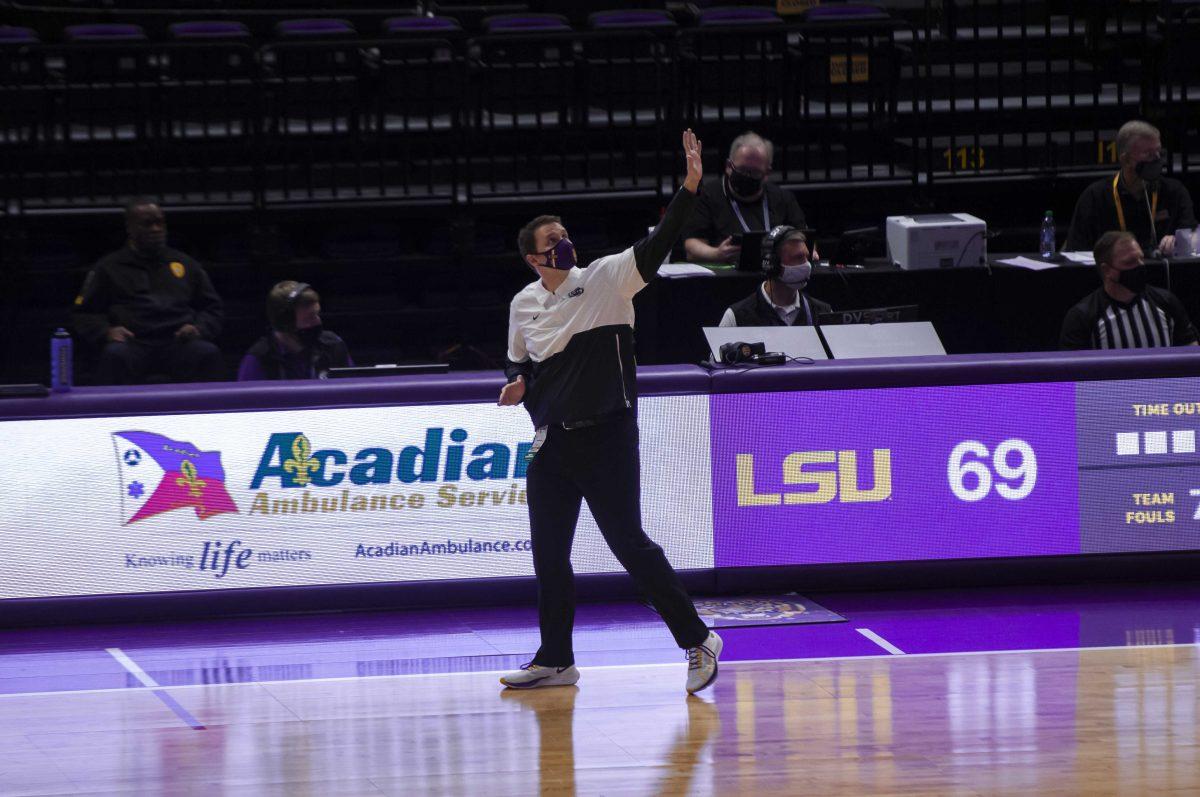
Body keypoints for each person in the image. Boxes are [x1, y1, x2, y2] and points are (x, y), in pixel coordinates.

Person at [498, 129, 721, 694]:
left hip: (608, 436)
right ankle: (555, 658)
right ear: (533, 257)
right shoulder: (522, 303)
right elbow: (517, 363)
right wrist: (517, 383)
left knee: (630, 545)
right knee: (549, 556)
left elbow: (658, 243)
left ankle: (697, 640)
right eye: (554, 240)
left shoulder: (604, 279)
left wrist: (690, 187)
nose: (565, 243)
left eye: (566, 235)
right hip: (552, 444)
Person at [72, 199, 224, 384]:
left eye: (160, 223)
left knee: (207, 353)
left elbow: (212, 307)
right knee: (114, 356)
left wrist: (199, 328)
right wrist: (107, 331)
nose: (155, 229)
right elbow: (84, 313)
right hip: (132, 343)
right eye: (147, 224)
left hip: (178, 342)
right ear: (130, 227)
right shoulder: (108, 267)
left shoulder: (185, 263)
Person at [1062, 120, 1196, 254]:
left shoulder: (1175, 191)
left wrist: (1179, 241)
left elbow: (1193, 236)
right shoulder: (1095, 197)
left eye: (1159, 152)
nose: (1157, 158)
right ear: (1126, 160)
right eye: (1149, 154)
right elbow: (1076, 250)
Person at [681, 131, 806, 264]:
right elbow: (692, 246)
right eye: (742, 170)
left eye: (755, 172)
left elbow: (805, 239)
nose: (747, 176)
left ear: (767, 173)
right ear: (729, 166)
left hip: (775, 272)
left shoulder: (783, 198)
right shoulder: (707, 195)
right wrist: (717, 253)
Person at [1060, 230, 1199, 349]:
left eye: (1141, 259)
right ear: (1107, 270)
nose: (1140, 266)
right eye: (1130, 262)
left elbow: (1193, 355)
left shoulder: (1166, 303)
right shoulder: (1082, 317)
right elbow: (1070, 373)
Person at [237, 281, 353, 381]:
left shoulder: (333, 345)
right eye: (309, 318)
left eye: (317, 314)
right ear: (285, 324)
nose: (318, 322)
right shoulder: (258, 359)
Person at [718, 225, 831, 327]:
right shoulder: (736, 317)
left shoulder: (823, 312)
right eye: (798, 258)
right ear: (772, 264)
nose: (806, 265)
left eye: (807, 257)